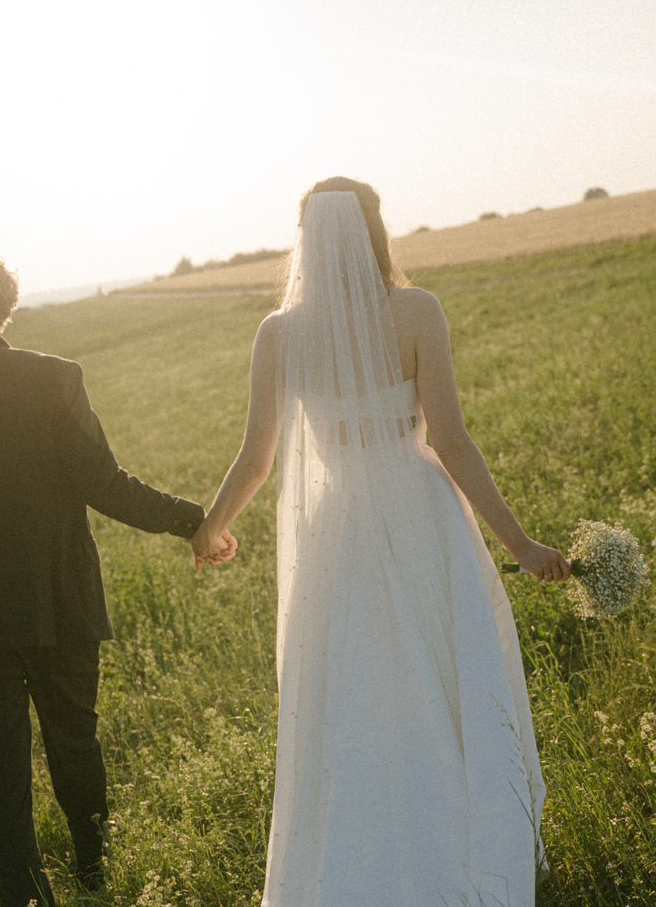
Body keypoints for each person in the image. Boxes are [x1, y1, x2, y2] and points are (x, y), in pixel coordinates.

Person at [190, 178, 569, 905]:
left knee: (355, 690)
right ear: (373, 231)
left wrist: (212, 526)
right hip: (424, 513)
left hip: (337, 527)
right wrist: (519, 544)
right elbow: (451, 441)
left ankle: (363, 857)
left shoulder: (280, 332)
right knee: (446, 675)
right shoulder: (417, 310)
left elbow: (256, 459)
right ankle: (473, 841)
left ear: (306, 241)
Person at [0, 244, 235, 907]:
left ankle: (24, 894)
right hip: (59, 598)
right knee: (75, 739)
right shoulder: (54, 377)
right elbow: (104, 483)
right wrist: (194, 521)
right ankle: (94, 870)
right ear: (6, 301)